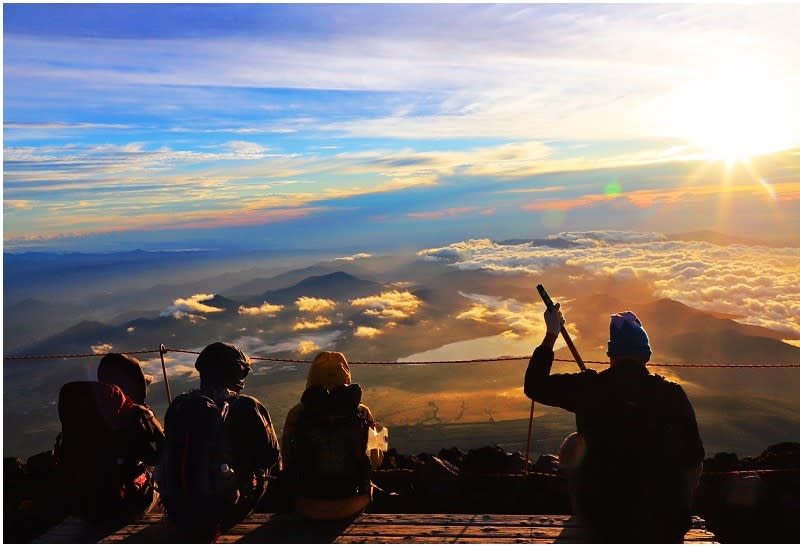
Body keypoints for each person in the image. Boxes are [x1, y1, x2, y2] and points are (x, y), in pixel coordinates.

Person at [524, 305, 705, 543]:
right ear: (646, 356)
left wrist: (551, 334)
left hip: (604, 520)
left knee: (574, 445)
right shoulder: (671, 395)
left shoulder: (590, 388)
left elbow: (534, 385)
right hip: (664, 523)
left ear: (611, 355)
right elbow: (694, 456)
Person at [158, 342, 281, 540]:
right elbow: (270, 458)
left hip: (177, 512)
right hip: (224, 512)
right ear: (237, 374)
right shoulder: (247, 406)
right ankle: (275, 511)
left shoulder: (180, 404)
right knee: (270, 462)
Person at [54, 353, 164, 527]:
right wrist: (150, 421)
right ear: (136, 385)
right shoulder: (134, 414)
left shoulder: (83, 406)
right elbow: (159, 456)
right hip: (120, 509)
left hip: (83, 509)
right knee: (157, 473)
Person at [281, 351, 385, 520]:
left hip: (307, 503)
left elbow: (287, 456)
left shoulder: (298, 412)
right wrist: (381, 435)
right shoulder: (362, 412)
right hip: (352, 502)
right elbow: (375, 460)